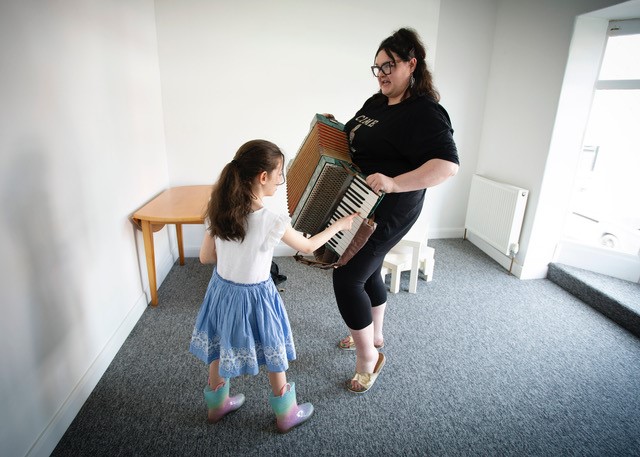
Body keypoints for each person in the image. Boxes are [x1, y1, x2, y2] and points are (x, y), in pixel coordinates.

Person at [189, 139, 357, 432]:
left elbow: (205, 257)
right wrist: (338, 226)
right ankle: (286, 413)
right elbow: (307, 247)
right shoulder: (271, 219)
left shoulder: (217, 207)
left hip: (222, 291)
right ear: (263, 176)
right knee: (272, 347)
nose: (281, 180)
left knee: (219, 344)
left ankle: (217, 405)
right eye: (280, 173)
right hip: (256, 296)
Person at [329, 27, 460, 394]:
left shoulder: (425, 112)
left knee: (347, 276)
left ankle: (368, 358)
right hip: (364, 202)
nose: (381, 74)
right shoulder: (377, 102)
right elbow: (355, 135)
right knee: (369, 269)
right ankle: (375, 334)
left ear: (411, 64)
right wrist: (334, 127)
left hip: (395, 207)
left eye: (389, 65)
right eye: (377, 67)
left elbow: (447, 166)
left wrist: (394, 182)